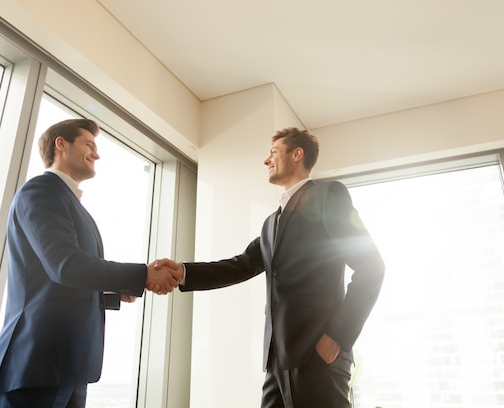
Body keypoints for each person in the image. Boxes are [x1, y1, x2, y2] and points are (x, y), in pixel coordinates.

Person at [157, 127, 385, 408]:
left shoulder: (328, 196)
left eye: (273, 152)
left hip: (317, 356)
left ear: (297, 154)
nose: (266, 160)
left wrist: (337, 336)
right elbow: (241, 265)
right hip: (276, 360)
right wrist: (183, 272)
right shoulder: (270, 223)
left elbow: (371, 267)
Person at [0, 118, 182, 408]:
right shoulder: (41, 191)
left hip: (67, 367)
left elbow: (59, 278)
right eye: (89, 144)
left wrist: (113, 290)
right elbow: (66, 265)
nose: (97, 153)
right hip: (36, 366)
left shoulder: (68, 202)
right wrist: (142, 275)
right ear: (61, 144)